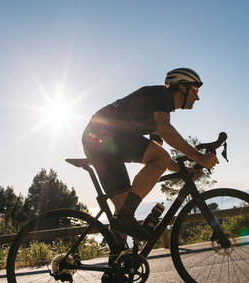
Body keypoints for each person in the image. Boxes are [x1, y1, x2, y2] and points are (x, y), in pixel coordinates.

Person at [82, 68, 218, 240]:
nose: (197, 97)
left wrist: (182, 171)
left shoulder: (158, 110)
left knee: (122, 208)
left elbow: (158, 155)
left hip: (100, 141)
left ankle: (117, 259)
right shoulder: (162, 95)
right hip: (102, 136)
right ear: (182, 87)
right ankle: (125, 218)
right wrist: (199, 157)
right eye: (195, 90)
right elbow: (164, 132)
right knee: (124, 216)